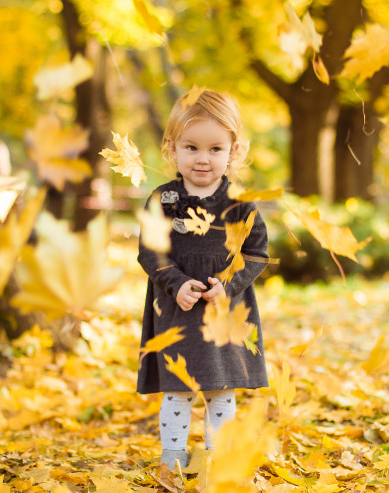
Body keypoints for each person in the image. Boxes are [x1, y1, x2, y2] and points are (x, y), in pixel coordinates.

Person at [137, 88, 269, 470]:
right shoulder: (163, 200)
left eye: (215, 149)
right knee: (178, 390)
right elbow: (150, 250)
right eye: (191, 147)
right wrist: (175, 282)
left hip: (223, 311)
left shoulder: (240, 203)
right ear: (172, 149)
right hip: (176, 311)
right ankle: (174, 458)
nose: (202, 158)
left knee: (220, 390)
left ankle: (218, 459)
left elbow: (256, 252)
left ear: (234, 151)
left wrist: (227, 286)